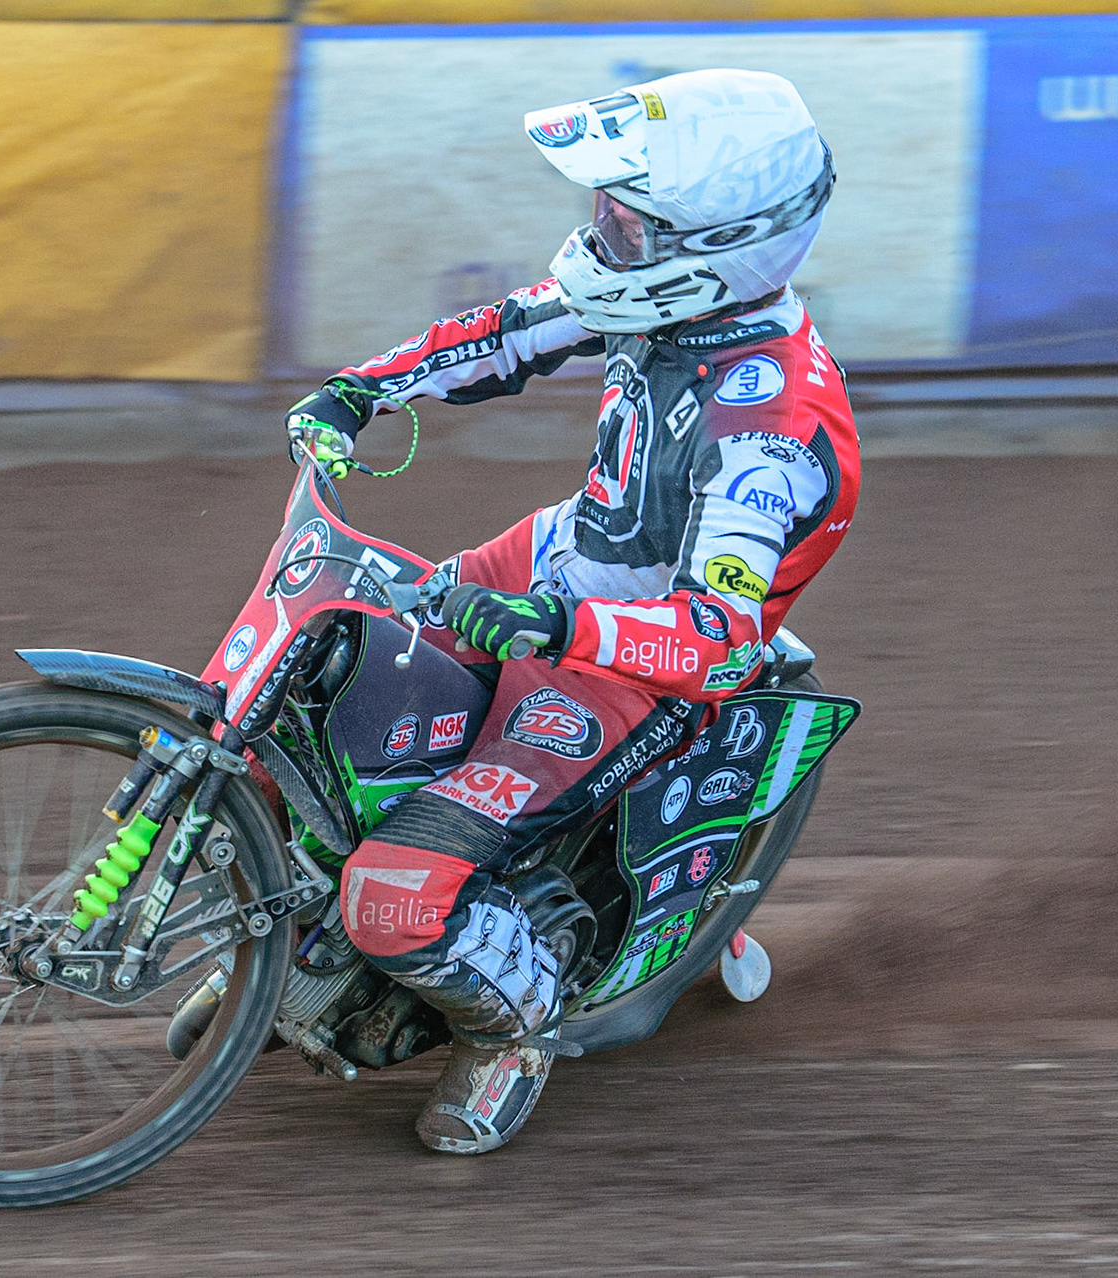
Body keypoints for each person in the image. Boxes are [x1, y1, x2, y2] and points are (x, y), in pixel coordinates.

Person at [282, 68, 861, 1155]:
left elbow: (717, 636)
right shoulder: (674, 301)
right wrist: (359, 391)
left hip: (624, 662)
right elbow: (504, 334)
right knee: (312, 692)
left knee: (398, 895)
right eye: (607, 214)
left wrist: (565, 633)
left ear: (717, 246)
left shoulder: (770, 438)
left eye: (630, 225)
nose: (603, 239)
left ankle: (517, 1029)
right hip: (545, 563)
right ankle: (285, 944)